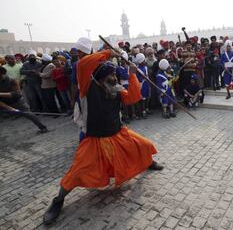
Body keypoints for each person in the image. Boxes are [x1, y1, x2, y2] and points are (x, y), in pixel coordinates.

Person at [43, 48, 163, 225]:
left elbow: (133, 98)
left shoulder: (115, 88)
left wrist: (131, 75)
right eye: (110, 76)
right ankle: (58, 201)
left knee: (144, 145)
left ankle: (147, 162)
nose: (114, 78)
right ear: (99, 78)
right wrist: (109, 53)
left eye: (114, 75)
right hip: (95, 140)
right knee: (76, 173)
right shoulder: (86, 86)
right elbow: (83, 64)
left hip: (118, 133)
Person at [0, 66, 48, 133]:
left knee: (29, 114)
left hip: (18, 101)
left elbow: (17, 94)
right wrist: (9, 108)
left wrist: (1, 94)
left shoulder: (12, 80)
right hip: (6, 104)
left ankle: (42, 127)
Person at [134, 53, 151, 118]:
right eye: (143, 61)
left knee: (147, 98)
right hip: (142, 86)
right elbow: (138, 79)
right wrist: (144, 78)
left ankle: (147, 108)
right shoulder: (137, 69)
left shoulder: (146, 67)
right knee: (143, 99)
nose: (145, 61)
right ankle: (143, 111)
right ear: (140, 62)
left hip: (147, 84)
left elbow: (147, 75)